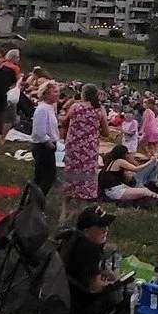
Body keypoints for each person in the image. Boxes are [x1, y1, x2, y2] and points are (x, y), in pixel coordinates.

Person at [58, 83, 103, 223]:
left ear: (83, 94)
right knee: (85, 179)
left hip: (74, 147)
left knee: (71, 177)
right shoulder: (99, 111)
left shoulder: (75, 107)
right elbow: (106, 132)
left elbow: (65, 121)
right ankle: (80, 213)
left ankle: (63, 213)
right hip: (89, 150)